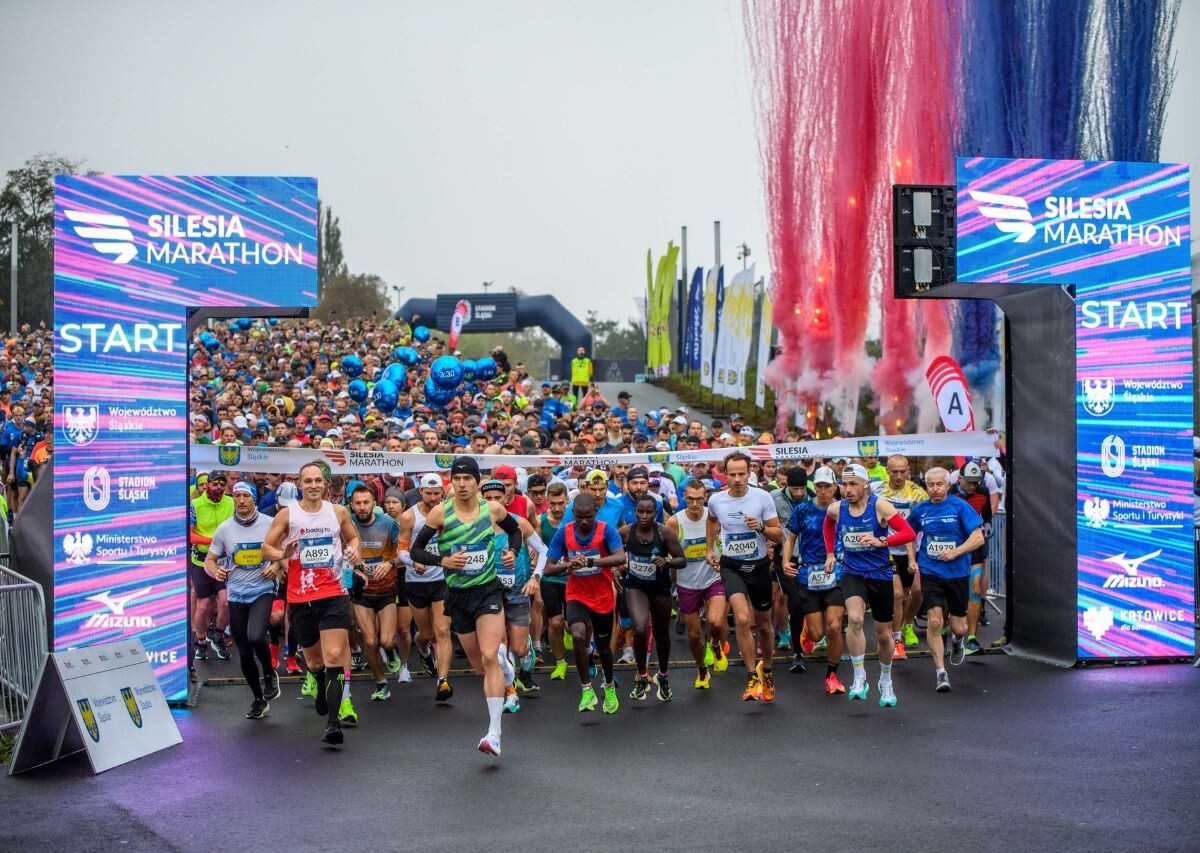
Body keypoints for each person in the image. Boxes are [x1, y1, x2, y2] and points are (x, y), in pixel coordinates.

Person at [410, 456, 524, 757]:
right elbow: (416, 550)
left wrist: (512, 552)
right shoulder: (440, 514)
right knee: (478, 666)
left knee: (488, 656)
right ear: (451, 481)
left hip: (488, 591)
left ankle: (494, 733)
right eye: (456, 479)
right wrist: (443, 561)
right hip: (458, 596)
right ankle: (505, 665)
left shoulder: (493, 509)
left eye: (467, 479)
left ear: (477, 482)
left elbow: (515, 532)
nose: (462, 484)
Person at [262, 461, 363, 746]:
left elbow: (353, 537)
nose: (314, 485)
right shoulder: (287, 514)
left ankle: (333, 724)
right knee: (315, 662)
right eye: (308, 481)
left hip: (333, 592)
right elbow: (265, 548)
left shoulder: (338, 511)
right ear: (300, 484)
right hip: (300, 597)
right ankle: (318, 683)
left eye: (319, 480)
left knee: (333, 655)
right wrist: (283, 553)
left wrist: (353, 551)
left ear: (325, 484)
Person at [822, 464, 915, 707]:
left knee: (883, 635)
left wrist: (882, 540)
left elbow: (909, 533)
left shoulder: (880, 506)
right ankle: (859, 675)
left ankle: (885, 680)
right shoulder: (837, 508)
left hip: (880, 574)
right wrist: (830, 553)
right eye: (845, 484)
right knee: (854, 619)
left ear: (866, 485)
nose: (848, 489)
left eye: (853, 484)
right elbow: (828, 524)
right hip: (853, 573)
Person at [706, 451, 784, 702]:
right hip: (732, 566)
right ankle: (752, 676)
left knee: (763, 626)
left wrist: (760, 527)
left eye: (742, 474)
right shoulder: (717, 500)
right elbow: (711, 521)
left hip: (759, 566)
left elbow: (778, 535)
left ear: (750, 473)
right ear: (725, 475)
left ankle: (768, 671)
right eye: (733, 474)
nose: (738, 479)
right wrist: (710, 548)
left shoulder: (762, 498)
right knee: (741, 618)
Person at [204, 481, 282, 719]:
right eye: (237, 496)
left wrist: (277, 565)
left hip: (263, 589)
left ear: (254, 499)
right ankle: (259, 699)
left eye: (246, 496)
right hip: (236, 593)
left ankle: (269, 673)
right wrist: (215, 571)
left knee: (256, 635)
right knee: (244, 651)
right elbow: (210, 560)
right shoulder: (224, 529)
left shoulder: (270, 524)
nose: (240, 501)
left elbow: (286, 551)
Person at [545, 493, 626, 715]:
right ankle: (586, 689)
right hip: (576, 594)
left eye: (588, 517)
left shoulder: (605, 530)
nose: (584, 521)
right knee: (578, 635)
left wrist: (591, 561)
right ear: (573, 514)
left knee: (604, 649)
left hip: (602, 596)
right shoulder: (565, 532)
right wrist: (568, 565)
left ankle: (609, 685)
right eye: (579, 517)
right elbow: (548, 568)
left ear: (595, 513)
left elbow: (620, 557)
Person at [907, 466, 985, 691]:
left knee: (959, 627)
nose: (934, 489)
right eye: (930, 485)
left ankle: (958, 641)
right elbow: (909, 534)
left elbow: (978, 538)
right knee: (934, 621)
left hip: (958, 572)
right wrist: (912, 559)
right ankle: (941, 673)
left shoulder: (960, 506)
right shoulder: (921, 509)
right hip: (931, 570)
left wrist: (956, 552)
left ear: (947, 485)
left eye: (939, 484)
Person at [481, 479, 547, 712]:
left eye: (497, 498)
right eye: (487, 499)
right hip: (490, 595)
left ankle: (527, 649)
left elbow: (544, 551)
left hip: (518, 592)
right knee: (500, 648)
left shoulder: (519, 524)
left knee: (518, 649)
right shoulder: (477, 526)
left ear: (506, 499)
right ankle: (511, 693)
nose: (492, 503)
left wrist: (535, 578)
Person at [781, 466, 847, 694]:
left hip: (837, 573)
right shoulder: (803, 509)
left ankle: (832, 675)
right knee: (817, 633)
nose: (823, 490)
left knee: (834, 627)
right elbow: (790, 538)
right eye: (818, 486)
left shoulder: (843, 510)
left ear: (835, 487)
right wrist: (785, 561)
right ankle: (806, 633)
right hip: (809, 574)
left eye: (827, 486)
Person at [620, 495, 686, 702]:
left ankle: (663, 675)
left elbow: (682, 560)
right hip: (636, 587)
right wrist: (617, 566)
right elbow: (614, 555)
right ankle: (641, 675)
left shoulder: (664, 532)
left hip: (660, 588)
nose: (644, 516)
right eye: (641, 511)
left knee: (661, 634)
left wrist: (667, 561)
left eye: (649, 512)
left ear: (655, 513)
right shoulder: (625, 532)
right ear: (635, 511)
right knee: (639, 629)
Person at [666, 481, 729, 688]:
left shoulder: (714, 517)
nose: (694, 503)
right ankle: (702, 668)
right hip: (687, 583)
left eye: (699, 499)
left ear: (705, 498)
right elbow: (668, 552)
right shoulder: (675, 522)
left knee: (716, 622)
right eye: (690, 499)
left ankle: (716, 644)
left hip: (713, 577)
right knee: (693, 635)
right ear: (684, 497)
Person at [397, 476, 455, 700]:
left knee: (442, 631)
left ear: (442, 491)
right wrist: (413, 562)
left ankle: (443, 681)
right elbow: (401, 551)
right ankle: (423, 651)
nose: (432, 498)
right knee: (426, 634)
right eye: (428, 493)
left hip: (441, 579)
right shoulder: (409, 516)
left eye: (436, 493)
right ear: (420, 491)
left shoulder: (447, 512)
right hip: (416, 581)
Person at [347, 483, 401, 702]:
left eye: (366, 502)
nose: (362, 507)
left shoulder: (388, 523)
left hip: (386, 588)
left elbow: (404, 554)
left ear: (374, 504)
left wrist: (389, 564)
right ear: (351, 504)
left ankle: (390, 650)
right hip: (361, 590)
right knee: (369, 641)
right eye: (358, 503)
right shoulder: (347, 524)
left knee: (386, 640)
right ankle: (381, 683)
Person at [879, 455, 928, 660]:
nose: (898, 476)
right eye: (894, 471)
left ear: (908, 470)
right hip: (886, 550)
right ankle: (897, 639)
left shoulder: (917, 493)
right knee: (897, 595)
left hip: (911, 549)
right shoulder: (876, 490)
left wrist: (913, 556)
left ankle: (907, 625)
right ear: (887, 471)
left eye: (902, 471)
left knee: (913, 593)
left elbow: (921, 522)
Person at [190, 470, 234, 664]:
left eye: (222, 484)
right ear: (206, 484)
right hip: (201, 560)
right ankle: (200, 641)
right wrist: (214, 541)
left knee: (225, 602)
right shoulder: (195, 504)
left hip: (224, 562)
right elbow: (189, 535)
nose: (218, 488)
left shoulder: (231, 502)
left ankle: (218, 635)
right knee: (203, 605)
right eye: (214, 484)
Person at [537, 481, 572, 680]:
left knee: (573, 623)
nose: (557, 508)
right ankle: (560, 662)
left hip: (571, 577)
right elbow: (536, 548)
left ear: (567, 500)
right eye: (553, 504)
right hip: (550, 576)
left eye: (561, 503)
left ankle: (585, 655)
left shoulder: (574, 519)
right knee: (555, 622)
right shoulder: (540, 520)